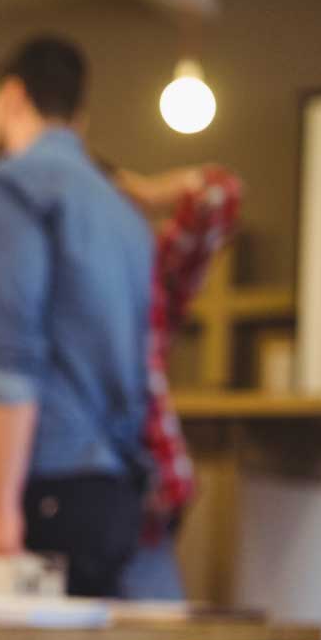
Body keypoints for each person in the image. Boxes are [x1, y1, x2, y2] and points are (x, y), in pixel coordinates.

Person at [0, 34, 153, 598]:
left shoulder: (7, 185)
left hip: (45, 486)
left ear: (12, 96)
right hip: (114, 488)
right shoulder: (124, 211)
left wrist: (1, 508)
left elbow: (12, 351)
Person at [108, 163, 244, 600]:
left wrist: (145, 189)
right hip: (62, 500)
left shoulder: (147, 275)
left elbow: (219, 195)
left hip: (143, 499)